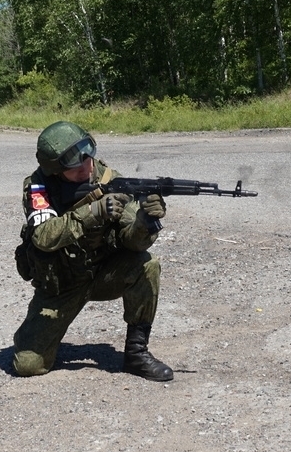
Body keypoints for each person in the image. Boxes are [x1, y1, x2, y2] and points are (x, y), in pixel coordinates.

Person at [12, 121, 173, 381]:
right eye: (74, 164)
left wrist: (143, 223)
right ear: (54, 169)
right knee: (29, 366)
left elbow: (132, 242)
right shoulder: (39, 186)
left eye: (88, 155)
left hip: (102, 275)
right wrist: (92, 212)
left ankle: (136, 354)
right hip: (61, 284)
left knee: (146, 264)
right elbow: (43, 237)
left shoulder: (109, 179)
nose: (86, 166)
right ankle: (30, 335)